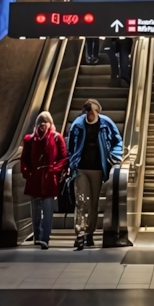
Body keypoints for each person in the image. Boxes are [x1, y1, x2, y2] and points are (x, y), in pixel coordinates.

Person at [65, 98, 121, 250]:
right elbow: (70, 146)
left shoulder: (106, 123)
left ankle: (89, 233)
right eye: (88, 112)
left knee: (94, 202)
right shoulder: (77, 124)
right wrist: (71, 163)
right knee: (81, 201)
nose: (90, 115)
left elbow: (117, 141)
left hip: (98, 169)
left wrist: (116, 156)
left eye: (92, 112)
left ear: (97, 111)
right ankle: (80, 234)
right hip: (81, 168)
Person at [20, 110, 67, 249]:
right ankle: (37, 236)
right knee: (35, 211)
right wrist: (28, 173)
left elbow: (63, 158)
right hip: (35, 178)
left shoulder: (57, 138)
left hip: (49, 179)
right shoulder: (29, 139)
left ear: (50, 123)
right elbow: (25, 159)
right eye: (40, 122)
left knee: (47, 211)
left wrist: (54, 171)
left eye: (45, 122)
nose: (42, 125)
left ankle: (45, 238)